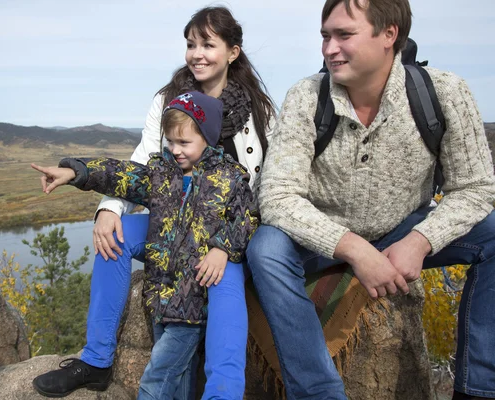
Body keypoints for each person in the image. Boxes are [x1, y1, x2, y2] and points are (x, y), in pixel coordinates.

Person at [246, 0, 495, 399]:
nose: (329, 48)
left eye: (344, 35)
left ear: (389, 35)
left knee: (494, 234)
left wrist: (420, 242)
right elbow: (277, 196)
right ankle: (319, 393)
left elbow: (476, 187)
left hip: (403, 228)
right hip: (319, 236)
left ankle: (479, 388)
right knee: (266, 249)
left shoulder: (444, 92)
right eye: (326, 35)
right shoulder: (307, 96)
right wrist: (358, 252)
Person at [32, 6, 275, 400]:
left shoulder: (256, 109)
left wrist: (225, 247)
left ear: (232, 52)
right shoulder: (168, 102)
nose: (197, 53)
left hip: (226, 234)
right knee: (114, 238)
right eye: (191, 44)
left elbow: (259, 196)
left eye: (208, 44)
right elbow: (137, 166)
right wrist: (101, 201)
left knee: (223, 276)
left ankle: (223, 392)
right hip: (172, 224)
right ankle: (96, 360)